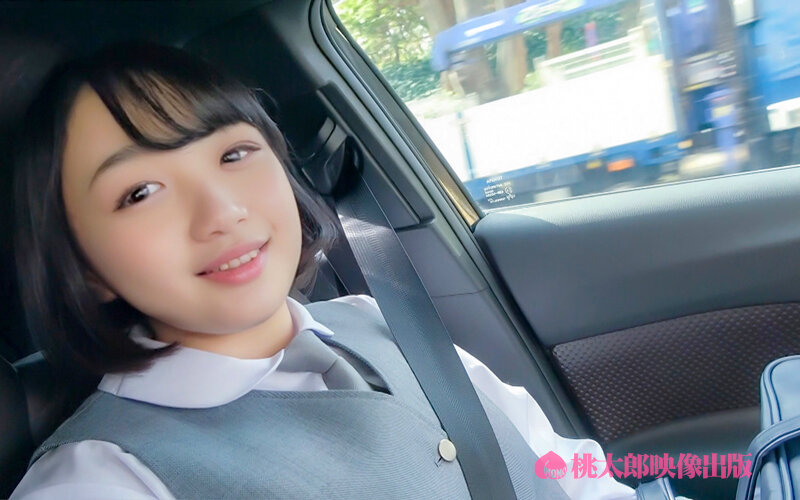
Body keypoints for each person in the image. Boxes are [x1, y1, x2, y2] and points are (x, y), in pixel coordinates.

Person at [9, 42, 645, 499]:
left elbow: (564, 468)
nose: (223, 212)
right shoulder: (102, 478)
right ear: (83, 268)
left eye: (234, 153)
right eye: (140, 192)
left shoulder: (382, 321)